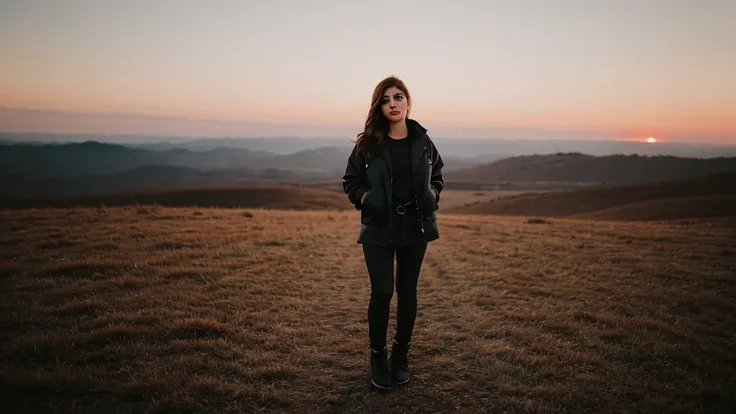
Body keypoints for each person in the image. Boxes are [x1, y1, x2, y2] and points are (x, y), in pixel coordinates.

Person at [342, 75, 444, 390]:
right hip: (378, 228)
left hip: (416, 226)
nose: (393, 104)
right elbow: (351, 181)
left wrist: (433, 195)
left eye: (398, 97)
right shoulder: (368, 143)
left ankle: (401, 356)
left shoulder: (423, 141)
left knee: (408, 292)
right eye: (386, 100)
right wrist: (365, 199)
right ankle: (378, 355)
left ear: (408, 101)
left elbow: (437, 175)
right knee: (383, 292)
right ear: (379, 106)